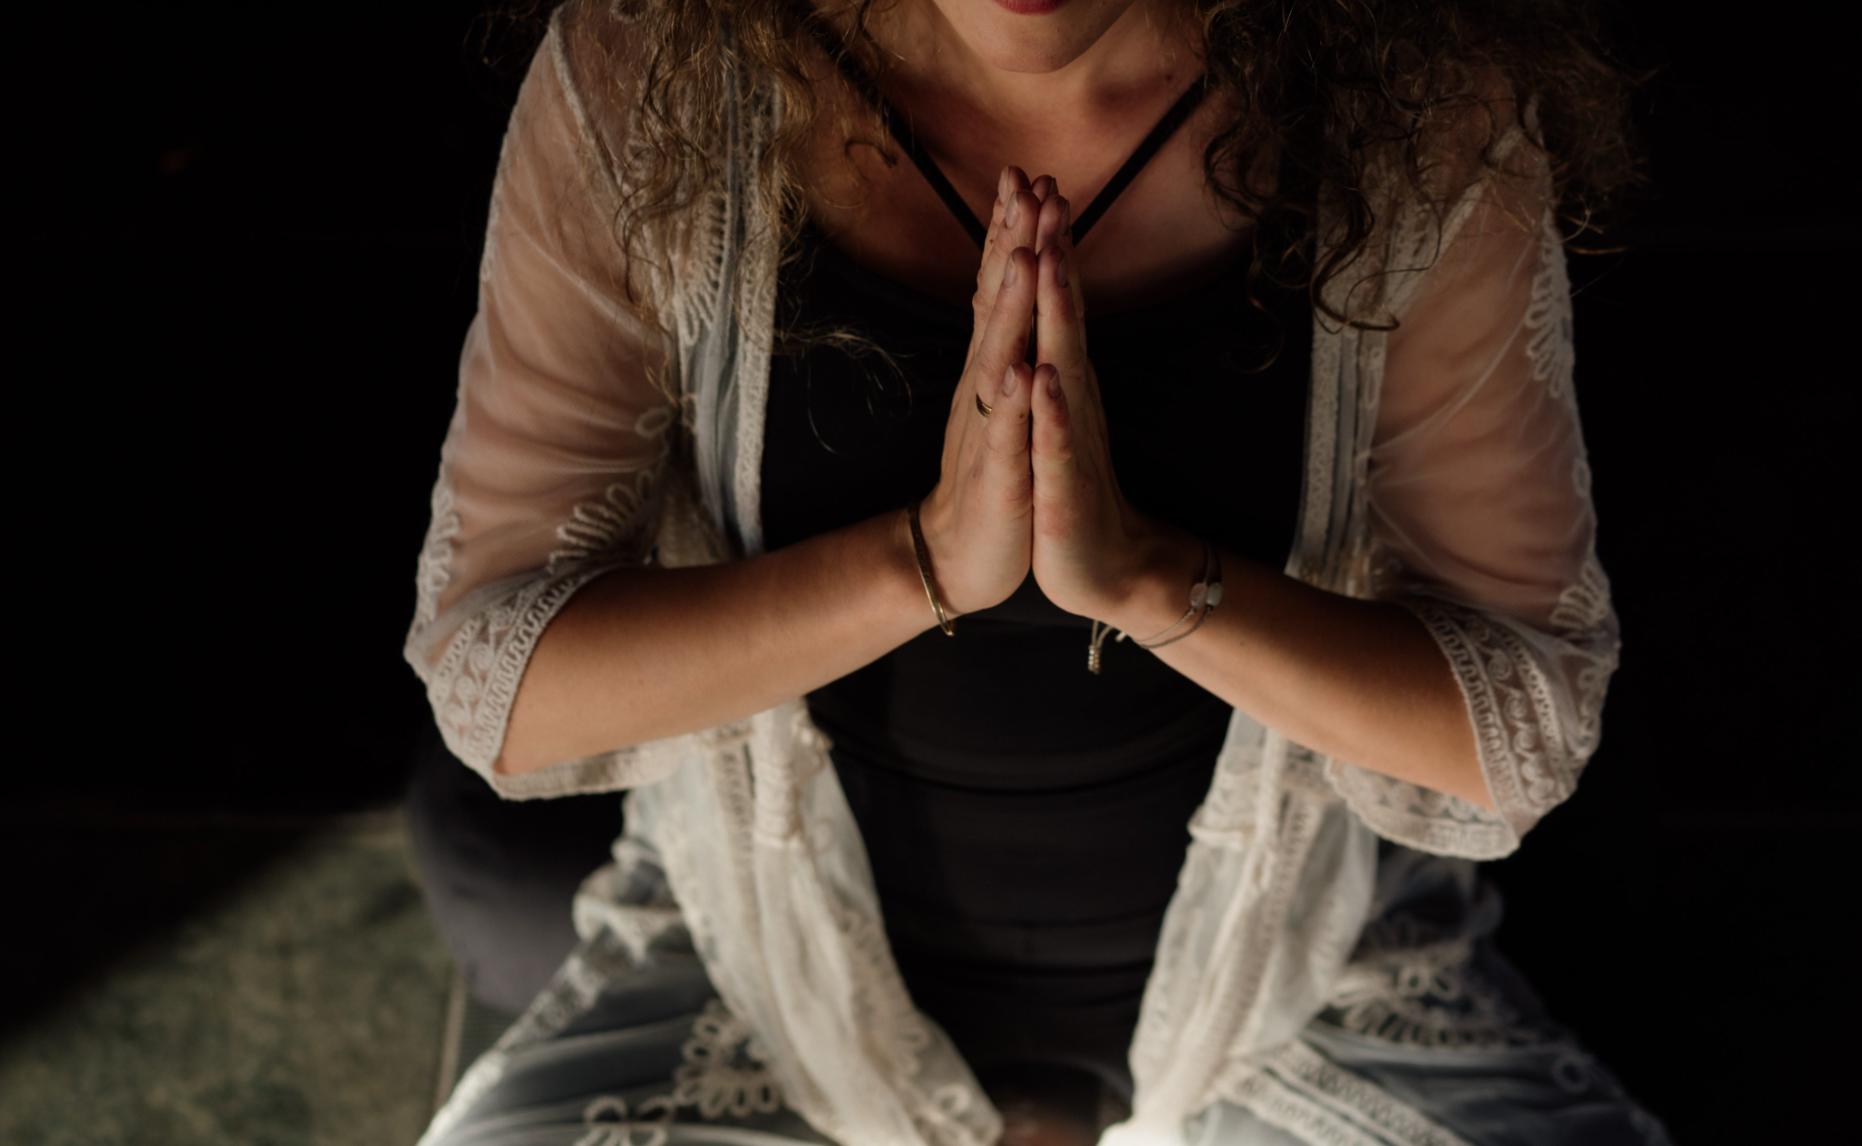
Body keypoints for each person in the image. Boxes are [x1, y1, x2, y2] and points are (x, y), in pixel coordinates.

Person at [401, 1, 1675, 1143]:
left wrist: (1151, 582)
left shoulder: (1418, 99)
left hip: (1291, 975)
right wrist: (921, 562)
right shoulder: (650, 65)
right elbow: (499, 680)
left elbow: (1515, 730)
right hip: (764, 968)